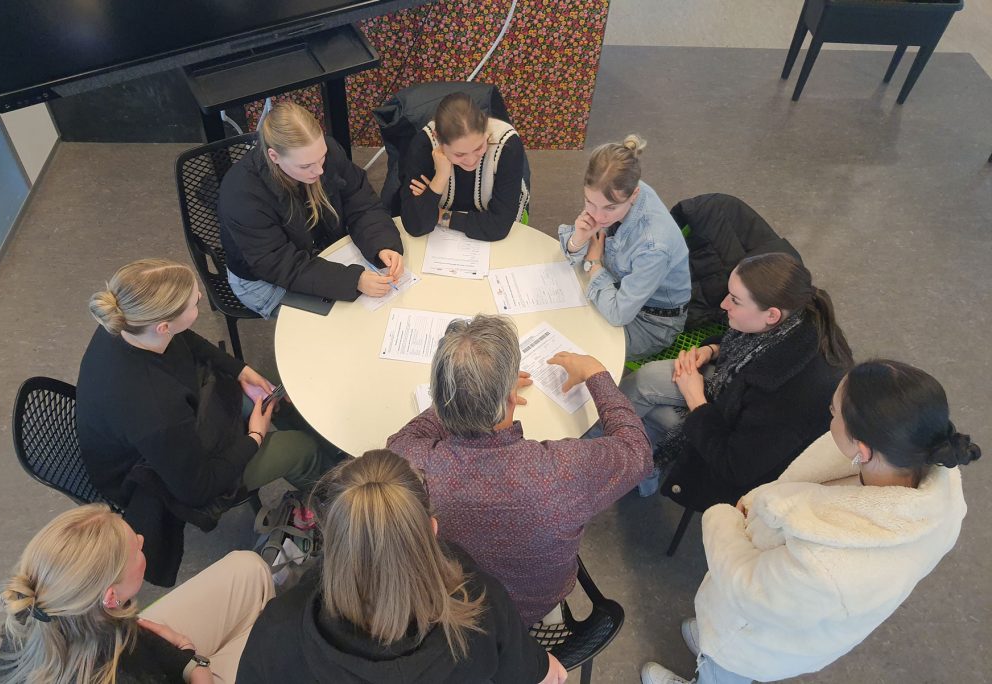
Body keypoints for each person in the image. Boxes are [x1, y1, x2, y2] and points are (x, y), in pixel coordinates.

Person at [640, 359, 981, 684]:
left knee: (724, 670)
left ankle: (711, 660)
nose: (828, 415)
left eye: (834, 413)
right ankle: (709, 641)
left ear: (861, 449)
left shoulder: (828, 565)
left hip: (755, 636)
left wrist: (721, 518)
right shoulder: (930, 479)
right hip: (799, 616)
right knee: (716, 645)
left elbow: (749, 589)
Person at [387, 314, 653, 625]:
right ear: (511, 397)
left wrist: (464, 392)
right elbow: (637, 450)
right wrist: (596, 373)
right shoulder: (560, 472)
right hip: (534, 607)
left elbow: (400, 439)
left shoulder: (414, 462)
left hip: (453, 602)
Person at [77, 259, 327, 586]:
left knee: (270, 400)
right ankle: (332, 497)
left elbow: (187, 341)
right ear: (163, 326)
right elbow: (199, 488)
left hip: (183, 426)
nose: (200, 297)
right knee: (302, 450)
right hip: (164, 477)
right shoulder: (155, 409)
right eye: (194, 302)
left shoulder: (129, 322)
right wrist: (254, 435)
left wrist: (239, 370)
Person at [237, 449, 568, 684]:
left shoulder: (277, 631)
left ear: (328, 539)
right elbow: (546, 674)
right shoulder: (478, 604)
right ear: (432, 531)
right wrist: (546, 666)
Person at [620, 252, 852, 509]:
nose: (723, 304)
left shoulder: (796, 394)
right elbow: (746, 343)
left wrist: (696, 399)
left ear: (772, 315)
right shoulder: (799, 318)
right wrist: (712, 351)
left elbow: (735, 466)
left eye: (735, 301)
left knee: (658, 415)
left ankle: (625, 461)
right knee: (647, 379)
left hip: (744, 464)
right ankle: (620, 452)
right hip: (734, 398)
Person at [0, 504, 273, 684]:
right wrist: (199, 668)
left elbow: (132, 642)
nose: (141, 540)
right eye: (135, 549)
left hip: (133, 654)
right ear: (111, 597)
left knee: (250, 568)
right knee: (272, 651)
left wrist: (180, 652)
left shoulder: (34, 614)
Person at [219, 101, 404, 318]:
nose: (319, 170)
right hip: (263, 280)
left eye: (322, 157)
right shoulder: (242, 194)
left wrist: (382, 244)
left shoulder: (324, 153)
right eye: (305, 166)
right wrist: (354, 280)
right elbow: (276, 263)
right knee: (341, 321)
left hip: (316, 252)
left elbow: (360, 200)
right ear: (274, 156)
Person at [559, 135, 691, 361]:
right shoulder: (613, 189)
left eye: (610, 208)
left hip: (651, 321)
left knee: (577, 350)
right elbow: (575, 250)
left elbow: (619, 314)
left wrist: (593, 263)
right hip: (617, 284)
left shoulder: (654, 246)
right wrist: (578, 239)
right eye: (589, 202)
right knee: (561, 320)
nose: (598, 216)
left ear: (635, 194)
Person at [399, 92, 529, 241]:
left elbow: (498, 227)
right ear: (438, 139)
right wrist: (440, 178)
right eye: (459, 154)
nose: (471, 160)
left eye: (479, 147)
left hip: (492, 238)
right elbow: (415, 226)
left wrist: (440, 215)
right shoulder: (422, 146)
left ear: (486, 129)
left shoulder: (507, 144)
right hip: (443, 240)